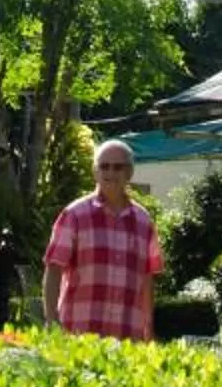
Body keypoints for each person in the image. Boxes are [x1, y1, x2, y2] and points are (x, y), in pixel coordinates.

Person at [42, 138, 162, 339]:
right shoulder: (74, 215)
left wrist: (148, 328)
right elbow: (53, 268)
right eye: (104, 166)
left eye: (118, 167)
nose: (110, 173)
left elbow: (147, 278)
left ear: (129, 173)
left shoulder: (143, 221)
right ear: (95, 172)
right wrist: (51, 319)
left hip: (127, 337)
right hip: (79, 335)